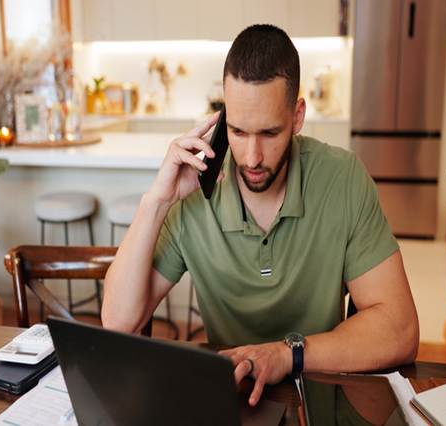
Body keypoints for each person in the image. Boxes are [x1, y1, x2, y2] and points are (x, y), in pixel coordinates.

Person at [102, 24, 419, 407]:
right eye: (237, 131)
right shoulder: (194, 191)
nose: (251, 157)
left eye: (269, 133)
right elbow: (118, 323)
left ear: (297, 116)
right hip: (230, 399)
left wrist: (287, 354)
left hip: (319, 393)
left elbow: (400, 330)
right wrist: (156, 201)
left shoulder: (343, 179)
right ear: (222, 119)